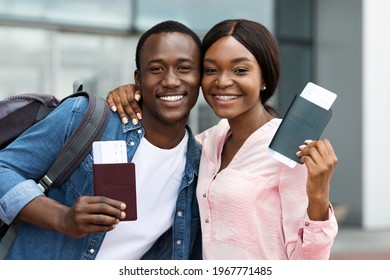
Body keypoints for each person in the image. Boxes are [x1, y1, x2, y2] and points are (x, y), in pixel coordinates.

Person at [106, 19, 339, 260]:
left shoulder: (290, 150)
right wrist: (134, 92)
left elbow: (309, 262)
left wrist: (319, 197)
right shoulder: (205, 143)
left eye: (240, 70)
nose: (222, 81)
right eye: (211, 70)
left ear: (264, 79)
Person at [0, 20, 202, 260]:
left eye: (184, 68)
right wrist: (62, 218)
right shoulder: (84, 116)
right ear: (139, 78)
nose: (170, 80)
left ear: (200, 76)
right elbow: (4, 168)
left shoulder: (201, 166)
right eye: (156, 68)